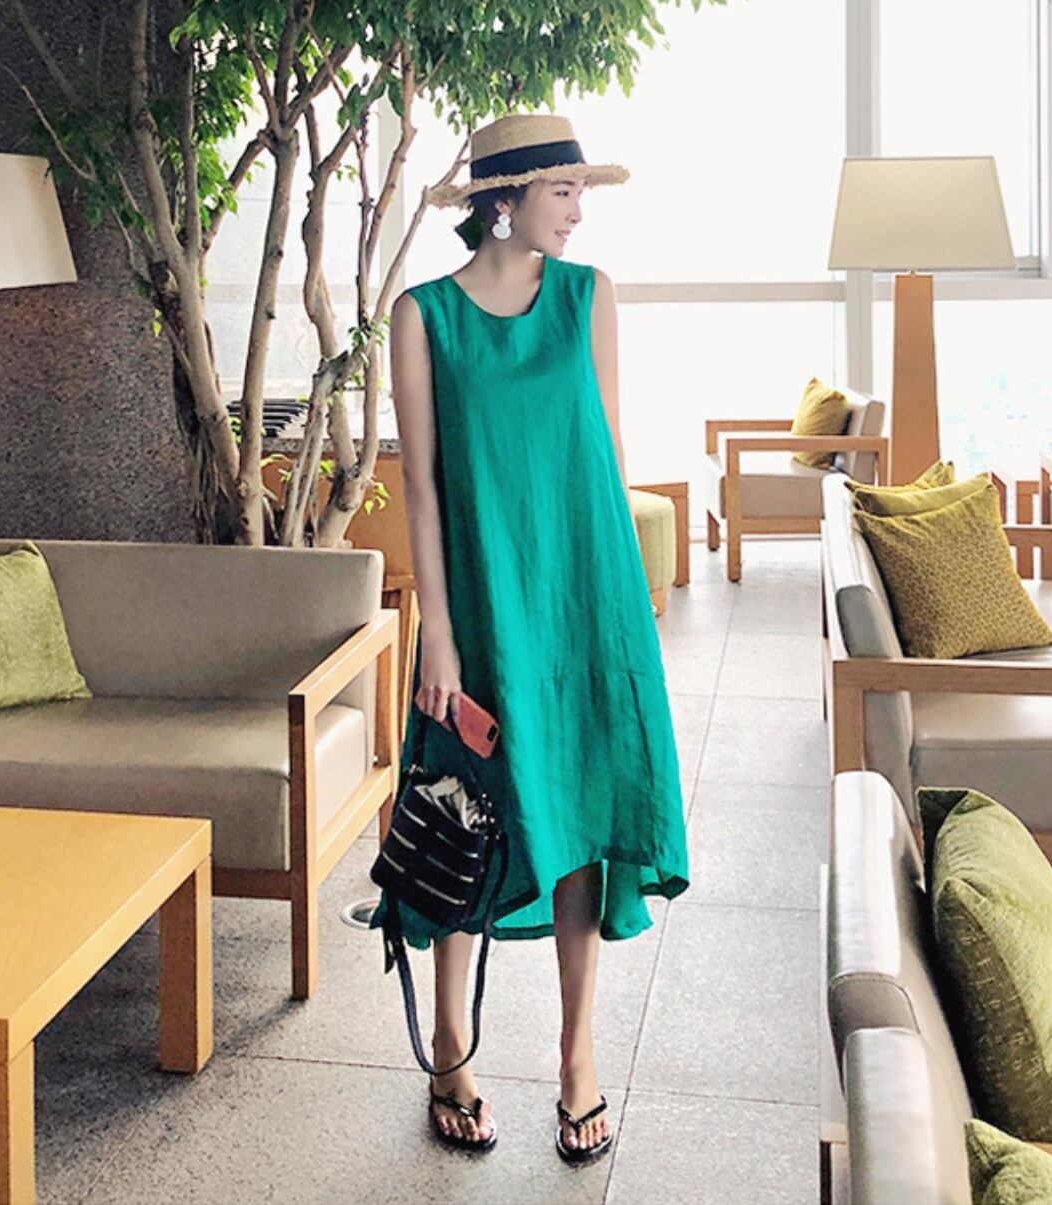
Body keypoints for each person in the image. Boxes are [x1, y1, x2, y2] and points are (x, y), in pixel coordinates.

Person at [367, 112, 690, 1164]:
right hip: (483, 603)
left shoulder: (590, 296)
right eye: (563, 190)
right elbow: (421, 488)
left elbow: (606, 450)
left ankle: (575, 1056)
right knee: (469, 813)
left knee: (580, 818)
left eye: (580, 190)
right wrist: (440, 638)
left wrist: (625, 609)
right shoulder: (422, 317)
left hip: (585, 598)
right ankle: (450, 1046)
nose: (578, 210)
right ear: (503, 200)